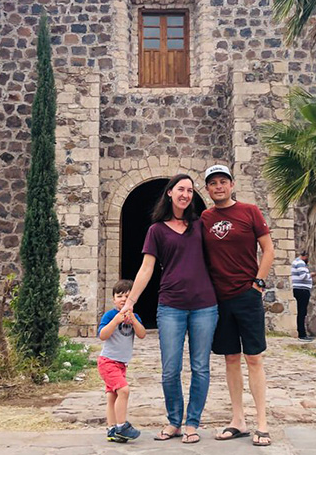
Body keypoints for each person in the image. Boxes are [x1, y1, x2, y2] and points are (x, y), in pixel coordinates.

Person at [124, 173, 219, 444]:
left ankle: (192, 423)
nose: (186, 194)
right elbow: (146, 268)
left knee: (200, 367)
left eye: (190, 190)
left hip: (204, 306)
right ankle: (174, 421)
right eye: (181, 189)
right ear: (170, 193)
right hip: (171, 307)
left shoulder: (200, 225)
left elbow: (223, 253)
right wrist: (130, 301)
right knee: (170, 368)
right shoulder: (157, 230)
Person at [201, 164, 276, 447]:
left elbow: (268, 249)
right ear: (207, 190)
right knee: (230, 359)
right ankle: (238, 420)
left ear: (231, 185)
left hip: (247, 295)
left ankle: (262, 423)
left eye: (223, 181)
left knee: (254, 358)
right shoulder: (205, 218)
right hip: (218, 299)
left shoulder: (250, 212)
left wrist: (258, 283)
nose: (218, 187)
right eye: (212, 183)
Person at [97, 279, 146, 443]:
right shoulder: (110, 315)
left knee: (112, 396)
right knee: (124, 390)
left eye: (127, 296)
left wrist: (133, 320)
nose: (123, 299)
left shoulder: (135, 316)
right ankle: (121, 426)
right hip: (107, 362)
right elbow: (102, 335)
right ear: (113, 299)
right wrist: (116, 320)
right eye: (119, 296)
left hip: (121, 364)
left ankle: (112, 430)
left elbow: (142, 334)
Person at [291, 250, 316, 341]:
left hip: (300, 289)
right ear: (305, 256)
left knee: (302, 312)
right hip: (302, 290)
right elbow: (303, 276)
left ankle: (302, 333)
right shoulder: (300, 263)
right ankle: (302, 334)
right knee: (302, 312)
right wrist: (311, 275)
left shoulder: (296, 262)